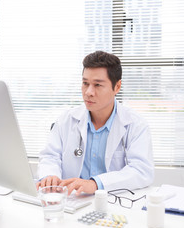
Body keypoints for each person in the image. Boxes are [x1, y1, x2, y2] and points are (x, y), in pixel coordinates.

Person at [36, 51, 154, 195]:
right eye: (85, 83)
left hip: (112, 202)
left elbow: (141, 171)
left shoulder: (135, 124)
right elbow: (50, 156)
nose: (88, 92)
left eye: (98, 85)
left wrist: (96, 184)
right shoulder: (66, 120)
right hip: (71, 200)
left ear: (117, 87)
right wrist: (50, 176)